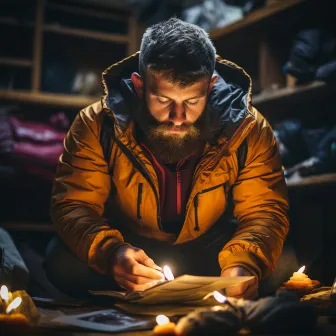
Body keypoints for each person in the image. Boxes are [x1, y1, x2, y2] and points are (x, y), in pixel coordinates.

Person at [45, 18, 297, 299]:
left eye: (192, 101)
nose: (178, 118)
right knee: (61, 263)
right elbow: (73, 204)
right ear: (140, 87)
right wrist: (112, 252)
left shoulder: (248, 129)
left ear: (210, 87)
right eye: (164, 100)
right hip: (132, 250)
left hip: (212, 250)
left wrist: (242, 264)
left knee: (282, 263)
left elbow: (265, 210)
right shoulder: (96, 124)